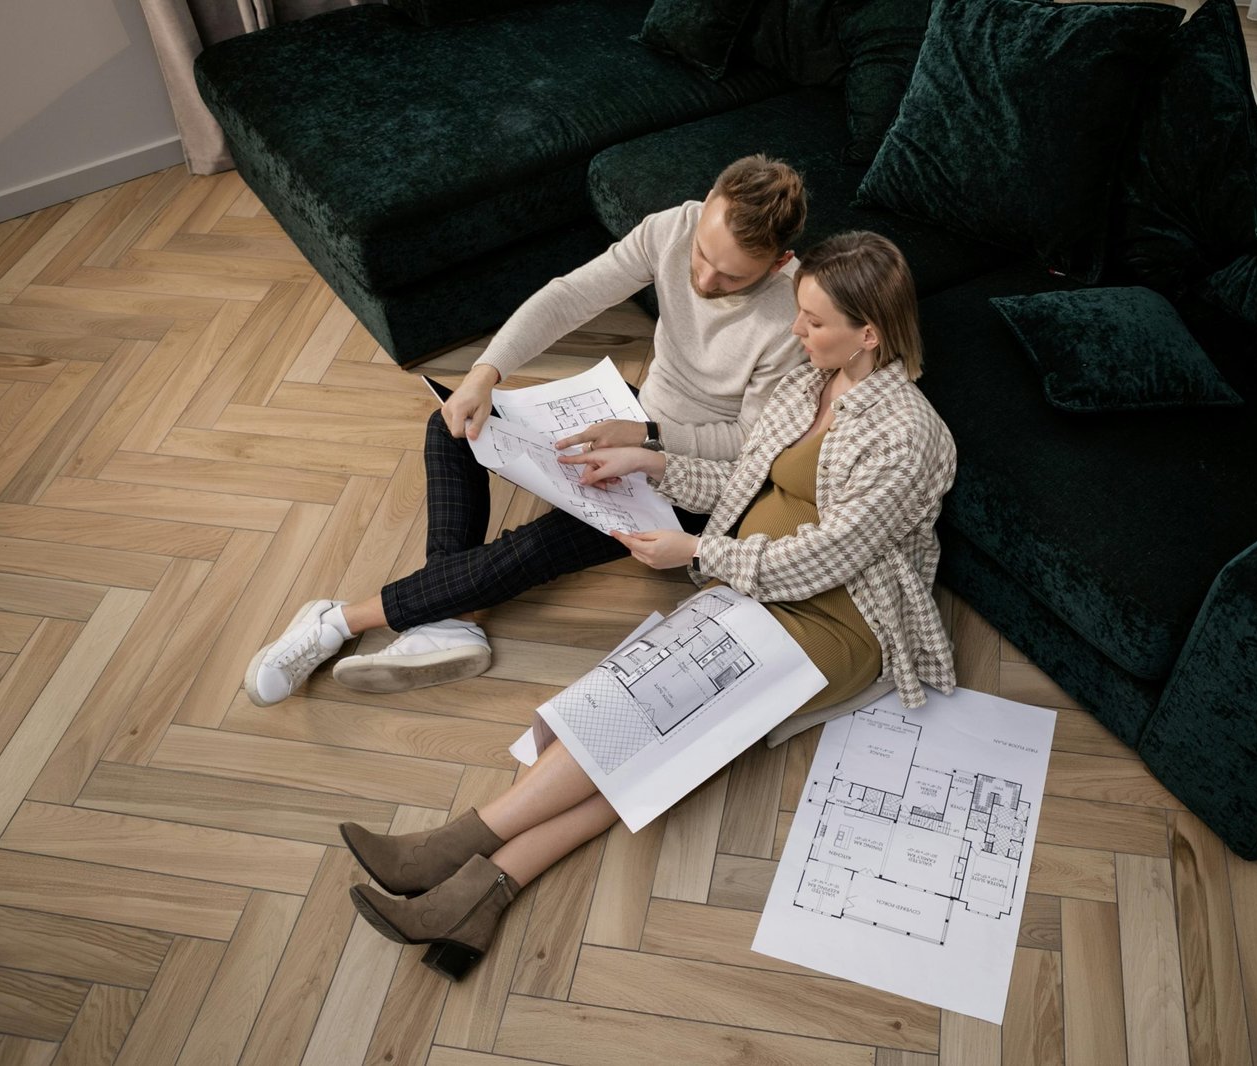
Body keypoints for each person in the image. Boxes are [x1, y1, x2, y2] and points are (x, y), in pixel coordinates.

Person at [338, 231, 958, 980]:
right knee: (641, 723)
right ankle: (476, 898)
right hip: (749, 588)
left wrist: (696, 553)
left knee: (646, 710)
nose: (797, 332)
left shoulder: (910, 435)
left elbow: (826, 557)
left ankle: (451, 846)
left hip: (838, 622)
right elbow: (742, 486)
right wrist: (651, 464)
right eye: (799, 314)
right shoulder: (810, 380)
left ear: (871, 333)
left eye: (814, 322)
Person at [243, 155, 810, 707]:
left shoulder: (795, 317)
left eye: (732, 275)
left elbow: (752, 445)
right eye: (703, 255)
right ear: (707, 203)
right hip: (630, 416)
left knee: (540, 545)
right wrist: (483, 375)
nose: (705, 278)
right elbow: (571, 295)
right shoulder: (675, 225)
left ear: (779, 261)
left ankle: (335, 621)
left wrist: (649, 434)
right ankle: (452, 619)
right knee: (454, 424)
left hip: (694, 474)